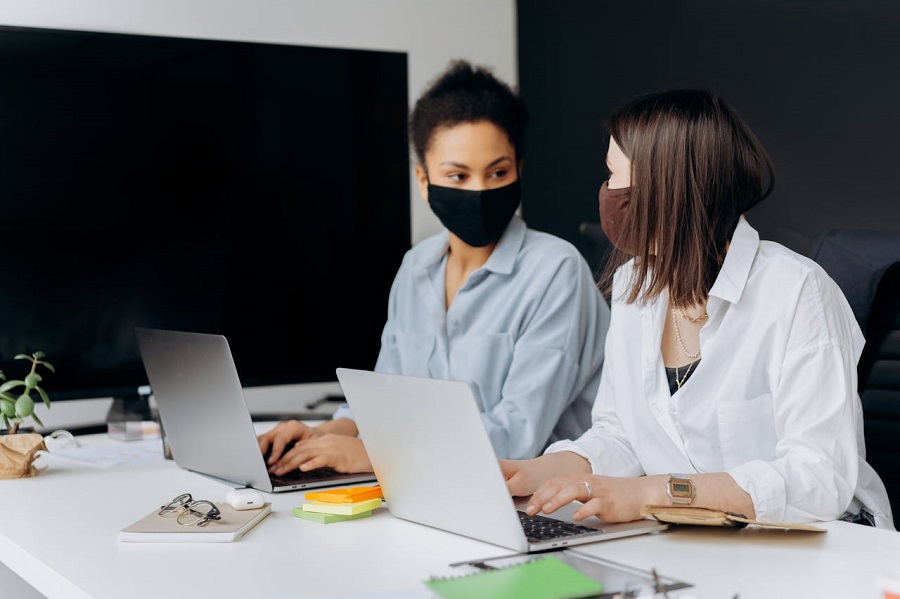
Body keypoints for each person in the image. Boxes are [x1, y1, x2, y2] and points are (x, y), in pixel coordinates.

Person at [501, 88, 895, 530]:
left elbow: (819, 477)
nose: (606, 192)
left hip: (821, 544)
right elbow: (621, 435)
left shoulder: (798, 292)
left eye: (613, 175)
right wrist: (541, 471)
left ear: (664, 191)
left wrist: (654, 493)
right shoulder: (635, 283)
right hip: (696, 539)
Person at [258, 59, 609, 475]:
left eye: (498, 172)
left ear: (519, 171)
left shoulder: (556, 271)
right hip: (434, 489)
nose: (480, 189)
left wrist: (374, 455)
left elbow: (517, 438)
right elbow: (386, 395)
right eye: (458, 176)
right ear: (424, 180)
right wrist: (327, 433)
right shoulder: (415, 268)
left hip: (539, 507)